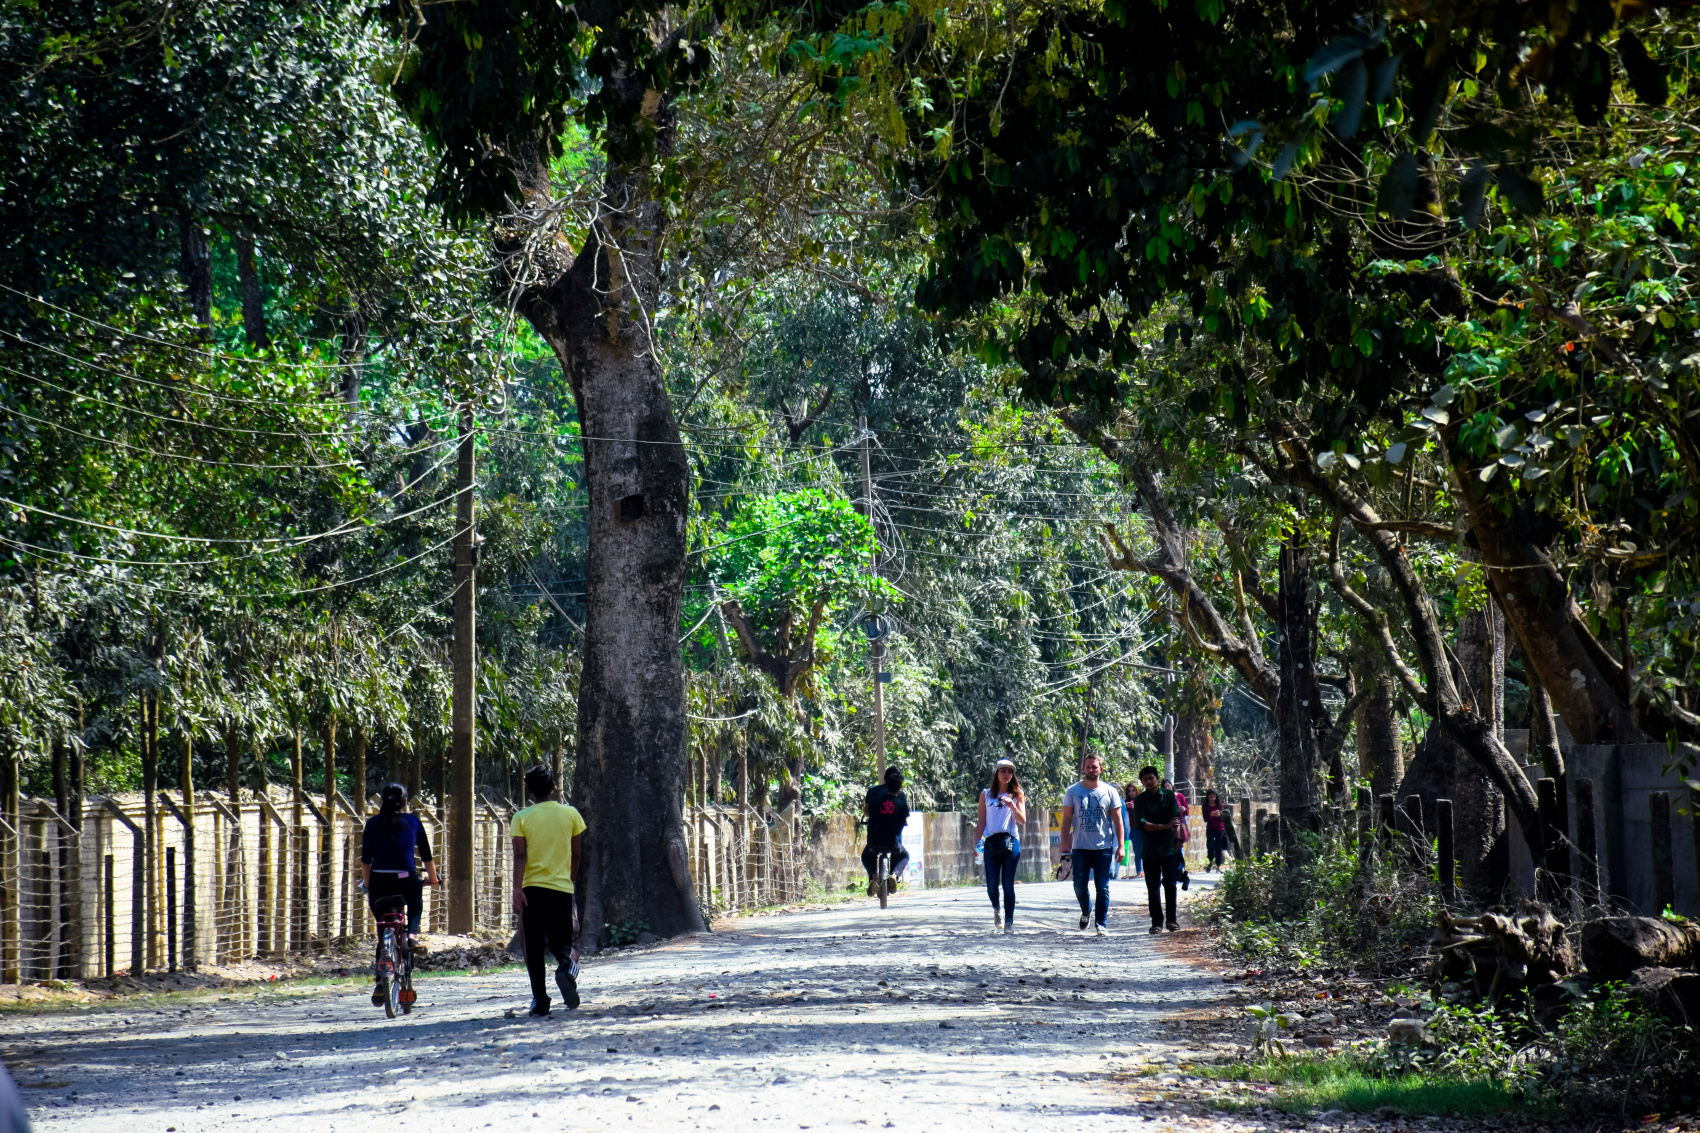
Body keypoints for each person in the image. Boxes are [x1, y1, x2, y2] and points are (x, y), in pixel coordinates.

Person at [511, 764, 587, 1017]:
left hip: (531, 891)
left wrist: (516, 889)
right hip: (561, 890)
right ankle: (565, 969)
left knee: (532, 948)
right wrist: (569, 881)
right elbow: (576, 854)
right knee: (565, 944)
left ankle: (540, 1001)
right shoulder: (571, 814)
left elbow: (520, 855)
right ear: (554, 786)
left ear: (529, 789)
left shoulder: (521, 818)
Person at [360, 782, 441, 1005]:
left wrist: (368, 884)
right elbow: (426, 856)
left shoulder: (372, 824)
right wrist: (433, 879)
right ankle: (412, 936)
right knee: (415, 903)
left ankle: (380, 981)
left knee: (383, 928)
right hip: (406, 879)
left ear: (382, 801)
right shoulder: (413, 821)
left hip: (378, 882)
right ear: (405, 802)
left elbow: (366, 860)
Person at [1058, 753, 1124, 935]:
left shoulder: (1110, 791)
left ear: (1100, 769)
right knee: (1079, 885)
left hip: (1103, 847)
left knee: (1102, 887)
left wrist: (1121, 846)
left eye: (1094, 767)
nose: (1091, 770)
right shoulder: (1073, 791)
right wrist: (1064, 843)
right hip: (1080, 848)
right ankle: (1086, 909)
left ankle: (1101, 924)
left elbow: (1118, 820)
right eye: (1088, 767)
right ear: (1084, 768)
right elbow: (1066, 819)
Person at [974, 758, 1026, 933]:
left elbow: (1023, 820)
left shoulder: (1017, 794)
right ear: (997, 773)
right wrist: (976, 843)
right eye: (1003, 771)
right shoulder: (986, 795)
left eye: (1010, 771)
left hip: (1010, 842)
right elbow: (981, 821)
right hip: (991, 842)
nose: (1006, 774)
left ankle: (1009, 922)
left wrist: (1013, 807)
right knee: (991, 884)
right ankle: (997, 909)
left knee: (1008, 884)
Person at [1135, 766, 1183, 933]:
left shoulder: (1169, 795)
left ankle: (1172, 920)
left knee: (1170, 884)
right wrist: (1165, 826)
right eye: (1145, 779)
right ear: (1142, 782)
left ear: (1157, 778)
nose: (1149, 781)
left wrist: (1177, 838)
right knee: (1153, 888)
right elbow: (1143, 825)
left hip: (1169, 848)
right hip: (1149, 850)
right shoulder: (1140, 800)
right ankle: (1156, 923)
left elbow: (1175, 818)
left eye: (1151, 778)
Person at [861, 765, 911, 894]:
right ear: (899, 785)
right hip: (893, 842)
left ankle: (874, 877)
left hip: (874, 841)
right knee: (903, 854)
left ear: (885, 780)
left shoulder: (875, 797)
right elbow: (903, 821)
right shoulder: (901, 799)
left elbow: (867, 812)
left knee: (866, 856)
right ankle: (894, 876)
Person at [1163, 777, 1192, 891]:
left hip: (1179, 825)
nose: (1167, 788)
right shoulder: (1162, 798)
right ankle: (1176, 874)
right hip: (1167, 828)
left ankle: (1181, 872)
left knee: (1179, 850)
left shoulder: (1179, 796)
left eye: (1168, 785)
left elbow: (1187, 811)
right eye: (1165, 787)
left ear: (1172, 785)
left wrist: (1183, 809)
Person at [1122, 780, 1145, 879]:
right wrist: (1124, 807)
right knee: (1137, 851)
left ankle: (1147, 870)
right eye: (1129, 791)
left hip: (1143, 828)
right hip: (1134, 830)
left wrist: (1134, 807)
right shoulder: (1125, 802)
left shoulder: (1141, 800)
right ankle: (1139, 871)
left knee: (1145, 851)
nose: (1131, 792)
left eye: (1133, 790)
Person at [1203, 789, 1229, 870]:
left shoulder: (1219, 805)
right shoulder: (1205, 806)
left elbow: (1223, 818)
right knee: (1210, 845)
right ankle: (1211, 861)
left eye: (1214, 797)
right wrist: (1211, 814)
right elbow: (1205, 819)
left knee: (1218, 846)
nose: (1212, 799)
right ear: (1207, 797)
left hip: (1219, 828)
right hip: (1210, 828)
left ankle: (1218, 865)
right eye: (1211, 797)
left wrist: (1219, 815)